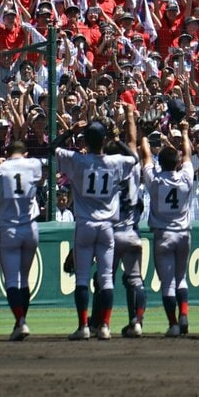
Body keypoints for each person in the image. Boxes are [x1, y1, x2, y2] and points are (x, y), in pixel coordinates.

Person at [56, 117, 135, 341]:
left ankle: (83, 327)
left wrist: (71, 131)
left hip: (85, 224)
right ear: (103, 140)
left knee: (82, 278)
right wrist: (116, 139)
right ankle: (105, 327)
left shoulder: (78, 161)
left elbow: (53, 148)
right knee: (106, 278)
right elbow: (134, 159)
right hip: (107, 227)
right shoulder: (115, 162)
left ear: (85, 140)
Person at [139, 121, 197, 337]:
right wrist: (183, 131)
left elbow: (146, 157)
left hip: (163, 235)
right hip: (183, 234)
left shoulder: (154, 180)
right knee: (182, 279)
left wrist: (144, 135)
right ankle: (184, 313)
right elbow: (188, 156)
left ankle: (173, 323)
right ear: (177, 163)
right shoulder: (185, 177)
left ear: (160, 163)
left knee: (167, 283)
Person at [0, 138, 43, 341]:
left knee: (11, 280)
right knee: (24, 280)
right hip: (30, 227)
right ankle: (21, 321)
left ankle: (20, 321)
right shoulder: (33, 165)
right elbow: (42, 167)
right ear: (25, 153)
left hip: (8, 228)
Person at [111, 109, 148, 337]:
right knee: (135, 280)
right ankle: (137, 322)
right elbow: (133, 142)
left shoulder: (104, 167)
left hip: (110, 232)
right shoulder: (133, 166)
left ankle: (98, 324)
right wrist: (130, 116)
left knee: (104, 279)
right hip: (131, 231)